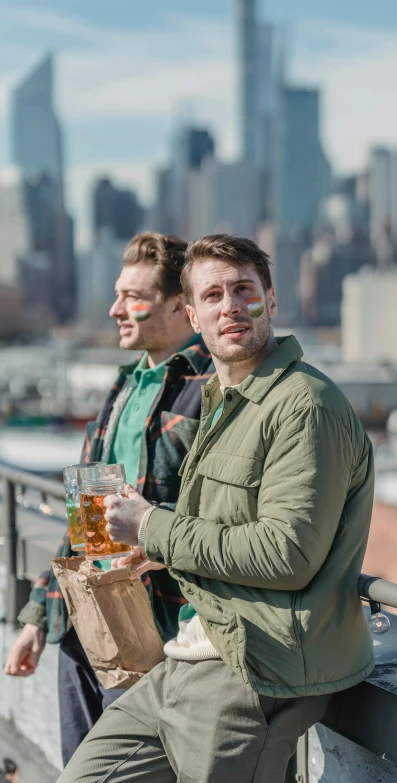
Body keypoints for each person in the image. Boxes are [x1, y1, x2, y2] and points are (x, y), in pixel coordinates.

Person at [58, 234, 375, 783]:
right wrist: (160, 551)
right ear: (192, 315)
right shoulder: (223, 399)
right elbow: (225, 528)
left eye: (243, 290)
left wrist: (154, 527)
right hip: (184, 652)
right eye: (212, 296)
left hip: (249, 673)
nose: (230, 306)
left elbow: (287, 553)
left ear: (270, 301)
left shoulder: (306, 406)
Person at [4, 232, 213, 766]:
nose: (116, 308)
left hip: (156, 634)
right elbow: (85, 521)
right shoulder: (123, 388)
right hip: (84, 626)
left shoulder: (210, 390)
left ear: (178, 306)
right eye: (119, 294)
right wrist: (37, 619)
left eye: (134, 298)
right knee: (79, 768)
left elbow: (213, 522)